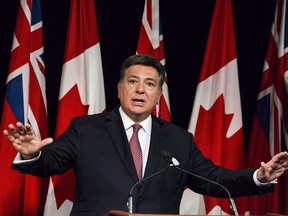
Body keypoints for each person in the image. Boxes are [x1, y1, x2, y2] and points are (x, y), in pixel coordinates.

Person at [3, 54, 288, 216]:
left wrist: (258, 177)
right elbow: (52, 160)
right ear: (119, 88)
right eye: (133, 82)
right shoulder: (86, 129)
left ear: (158, 94)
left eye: (150, 84)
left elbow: (213, 179)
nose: (141, 90)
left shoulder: (178, 140)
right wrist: (32, 154)